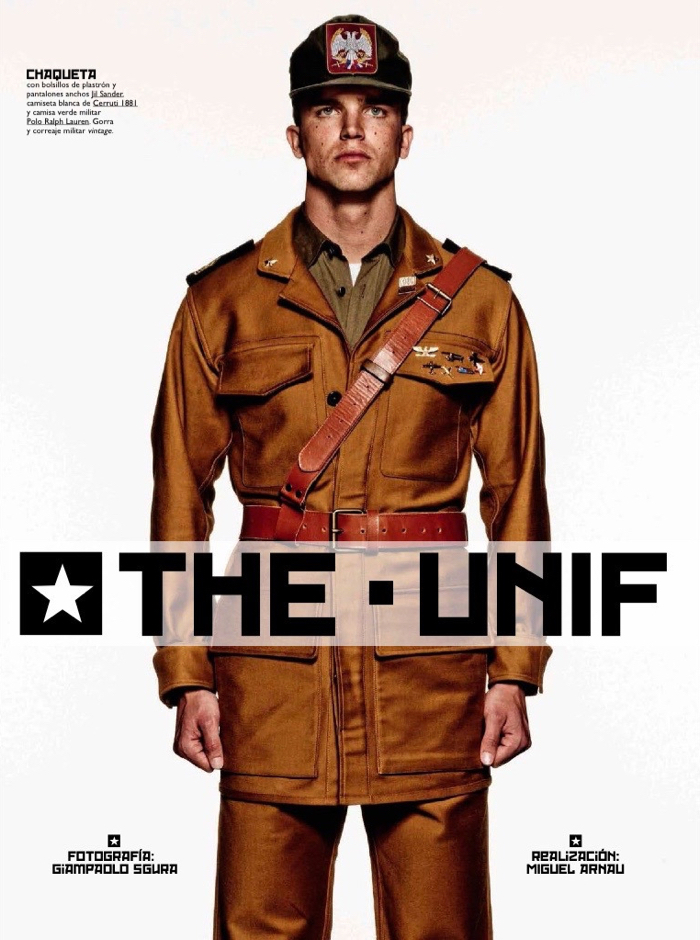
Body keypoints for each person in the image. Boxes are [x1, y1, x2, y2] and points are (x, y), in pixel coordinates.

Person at [150, 14, 551, 940]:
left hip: (431, 679)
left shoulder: (482, 303)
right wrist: (185, 672)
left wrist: (516, 668)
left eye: (376, 108)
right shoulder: (222, 302)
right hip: (271, 682)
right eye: (329, 109)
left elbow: (518, 500)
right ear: (297, 136)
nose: (354, 128)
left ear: (406, 136)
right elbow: (178, 502)